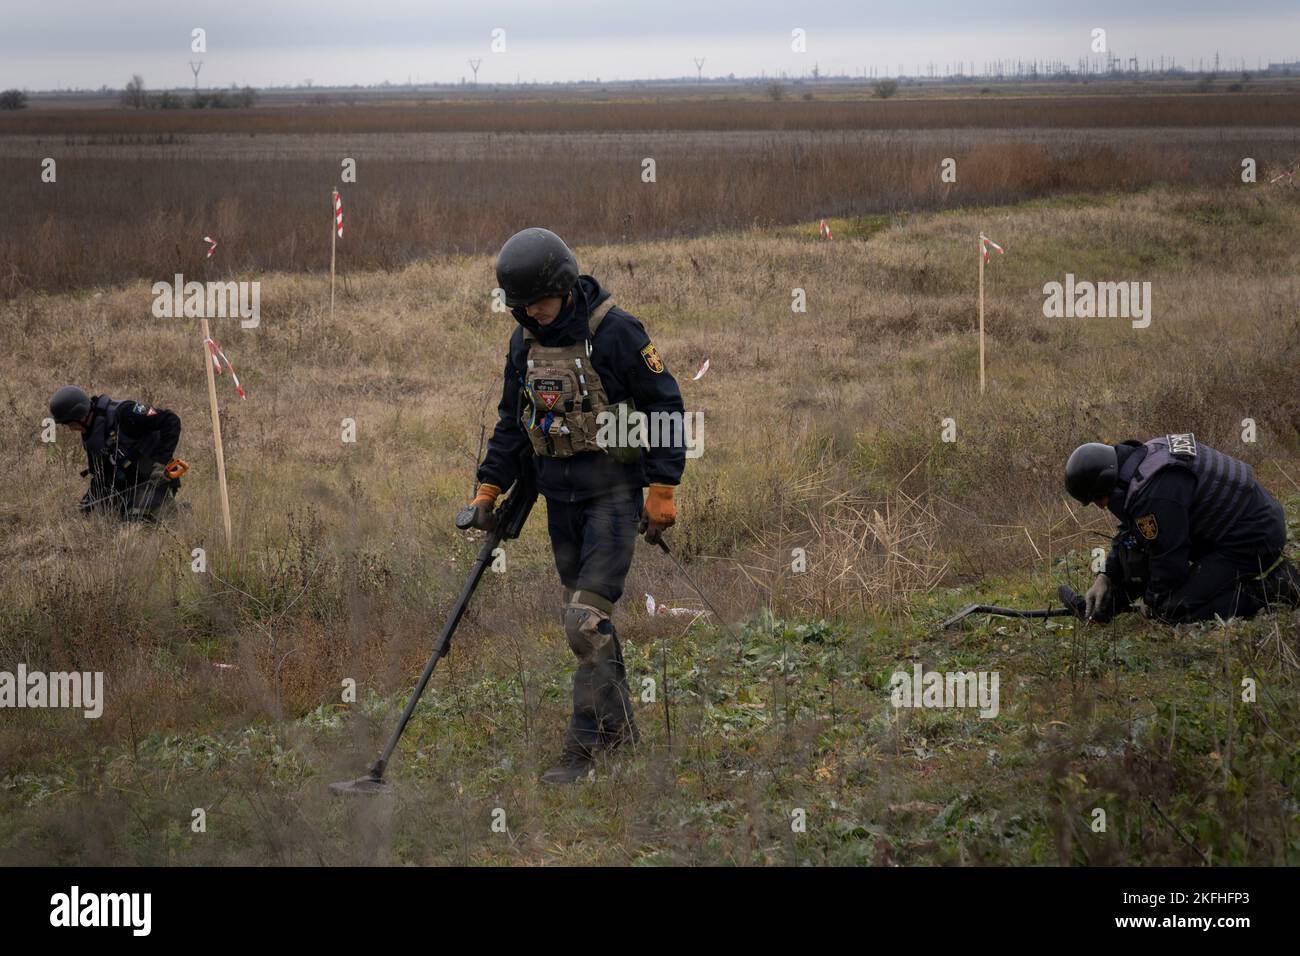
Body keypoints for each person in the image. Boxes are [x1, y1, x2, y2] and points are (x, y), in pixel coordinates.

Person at [466, 227, 686, 784]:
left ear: (563, 286)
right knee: (589, 625)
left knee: (583, 622)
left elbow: (665, 404)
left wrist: (663, 487)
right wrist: (489, 487)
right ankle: (621, 734)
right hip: (556, 503)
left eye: (538, 301)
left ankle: (582, 753)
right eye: (521, 306)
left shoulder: (616, 332)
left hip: (612, 499)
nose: (532, 313)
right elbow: (513, 423)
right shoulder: (525, 343)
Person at [1061, 433, 1299, 624]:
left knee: (1172, 610)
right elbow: (1134, 534)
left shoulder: (1153, 494)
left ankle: (1277, 587)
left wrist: (1153, 603)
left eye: (1097, 499)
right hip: (1239, 522)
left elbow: (1169, 561)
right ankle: (1101, 605)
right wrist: (1107, 576)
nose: (1101, 506)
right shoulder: (1138, 463)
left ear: (1106, 481)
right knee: (1140, 559)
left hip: (1253, 536)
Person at [49, 385, 183, 522]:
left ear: (81, 415)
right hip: (129, 486)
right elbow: (101, 477)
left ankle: (178, 514)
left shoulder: (125, 413)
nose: (71, 429)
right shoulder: (91, 437)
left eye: (70, 424)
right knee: (106, 520)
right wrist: (85, 507)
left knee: (136, 525)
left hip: (157, 480)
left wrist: (162, 462)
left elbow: (171, 421)